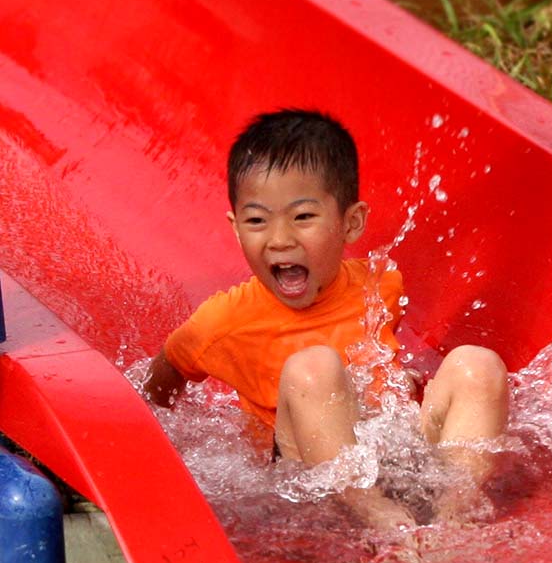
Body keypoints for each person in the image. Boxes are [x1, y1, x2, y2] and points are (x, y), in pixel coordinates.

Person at [143, 109, 509, 529]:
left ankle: (455, 515)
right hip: (306, 477)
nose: (279, 239)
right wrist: (157, 441)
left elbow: (378, 366)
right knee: (313, 366)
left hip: (393, 454)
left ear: (350, 223)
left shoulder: (381, 284)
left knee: (477, 365)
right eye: (257, 221)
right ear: (236, 228)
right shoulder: (221, 322)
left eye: (303, 217)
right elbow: (167, 370)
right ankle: (378, 517)